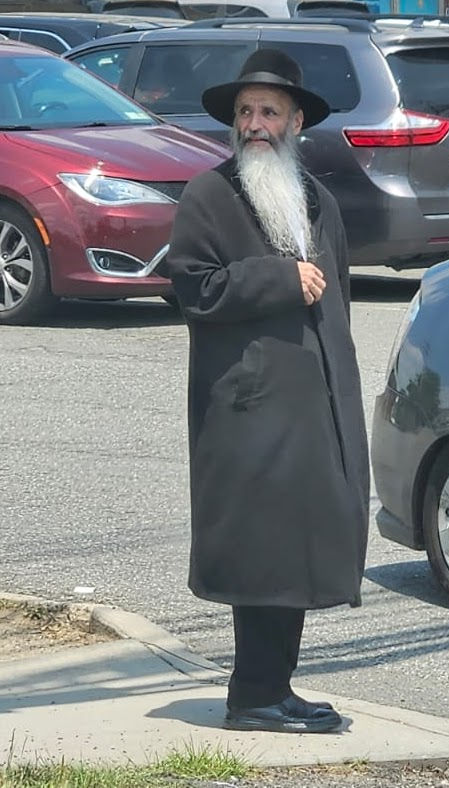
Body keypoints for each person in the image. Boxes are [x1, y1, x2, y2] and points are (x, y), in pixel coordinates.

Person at [164, 48, 369, 734]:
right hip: (246, 408)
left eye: (270, 112)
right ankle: (249, 695)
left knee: (298, 550)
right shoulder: (208, 194)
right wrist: (277, 280)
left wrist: (343, 392)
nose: (255, 123)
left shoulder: (317, 199)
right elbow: (194, 288)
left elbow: (335, 304)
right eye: (246, 112)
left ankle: (276, 688)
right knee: (259, 553)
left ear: (296, 120)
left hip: (312, 406)